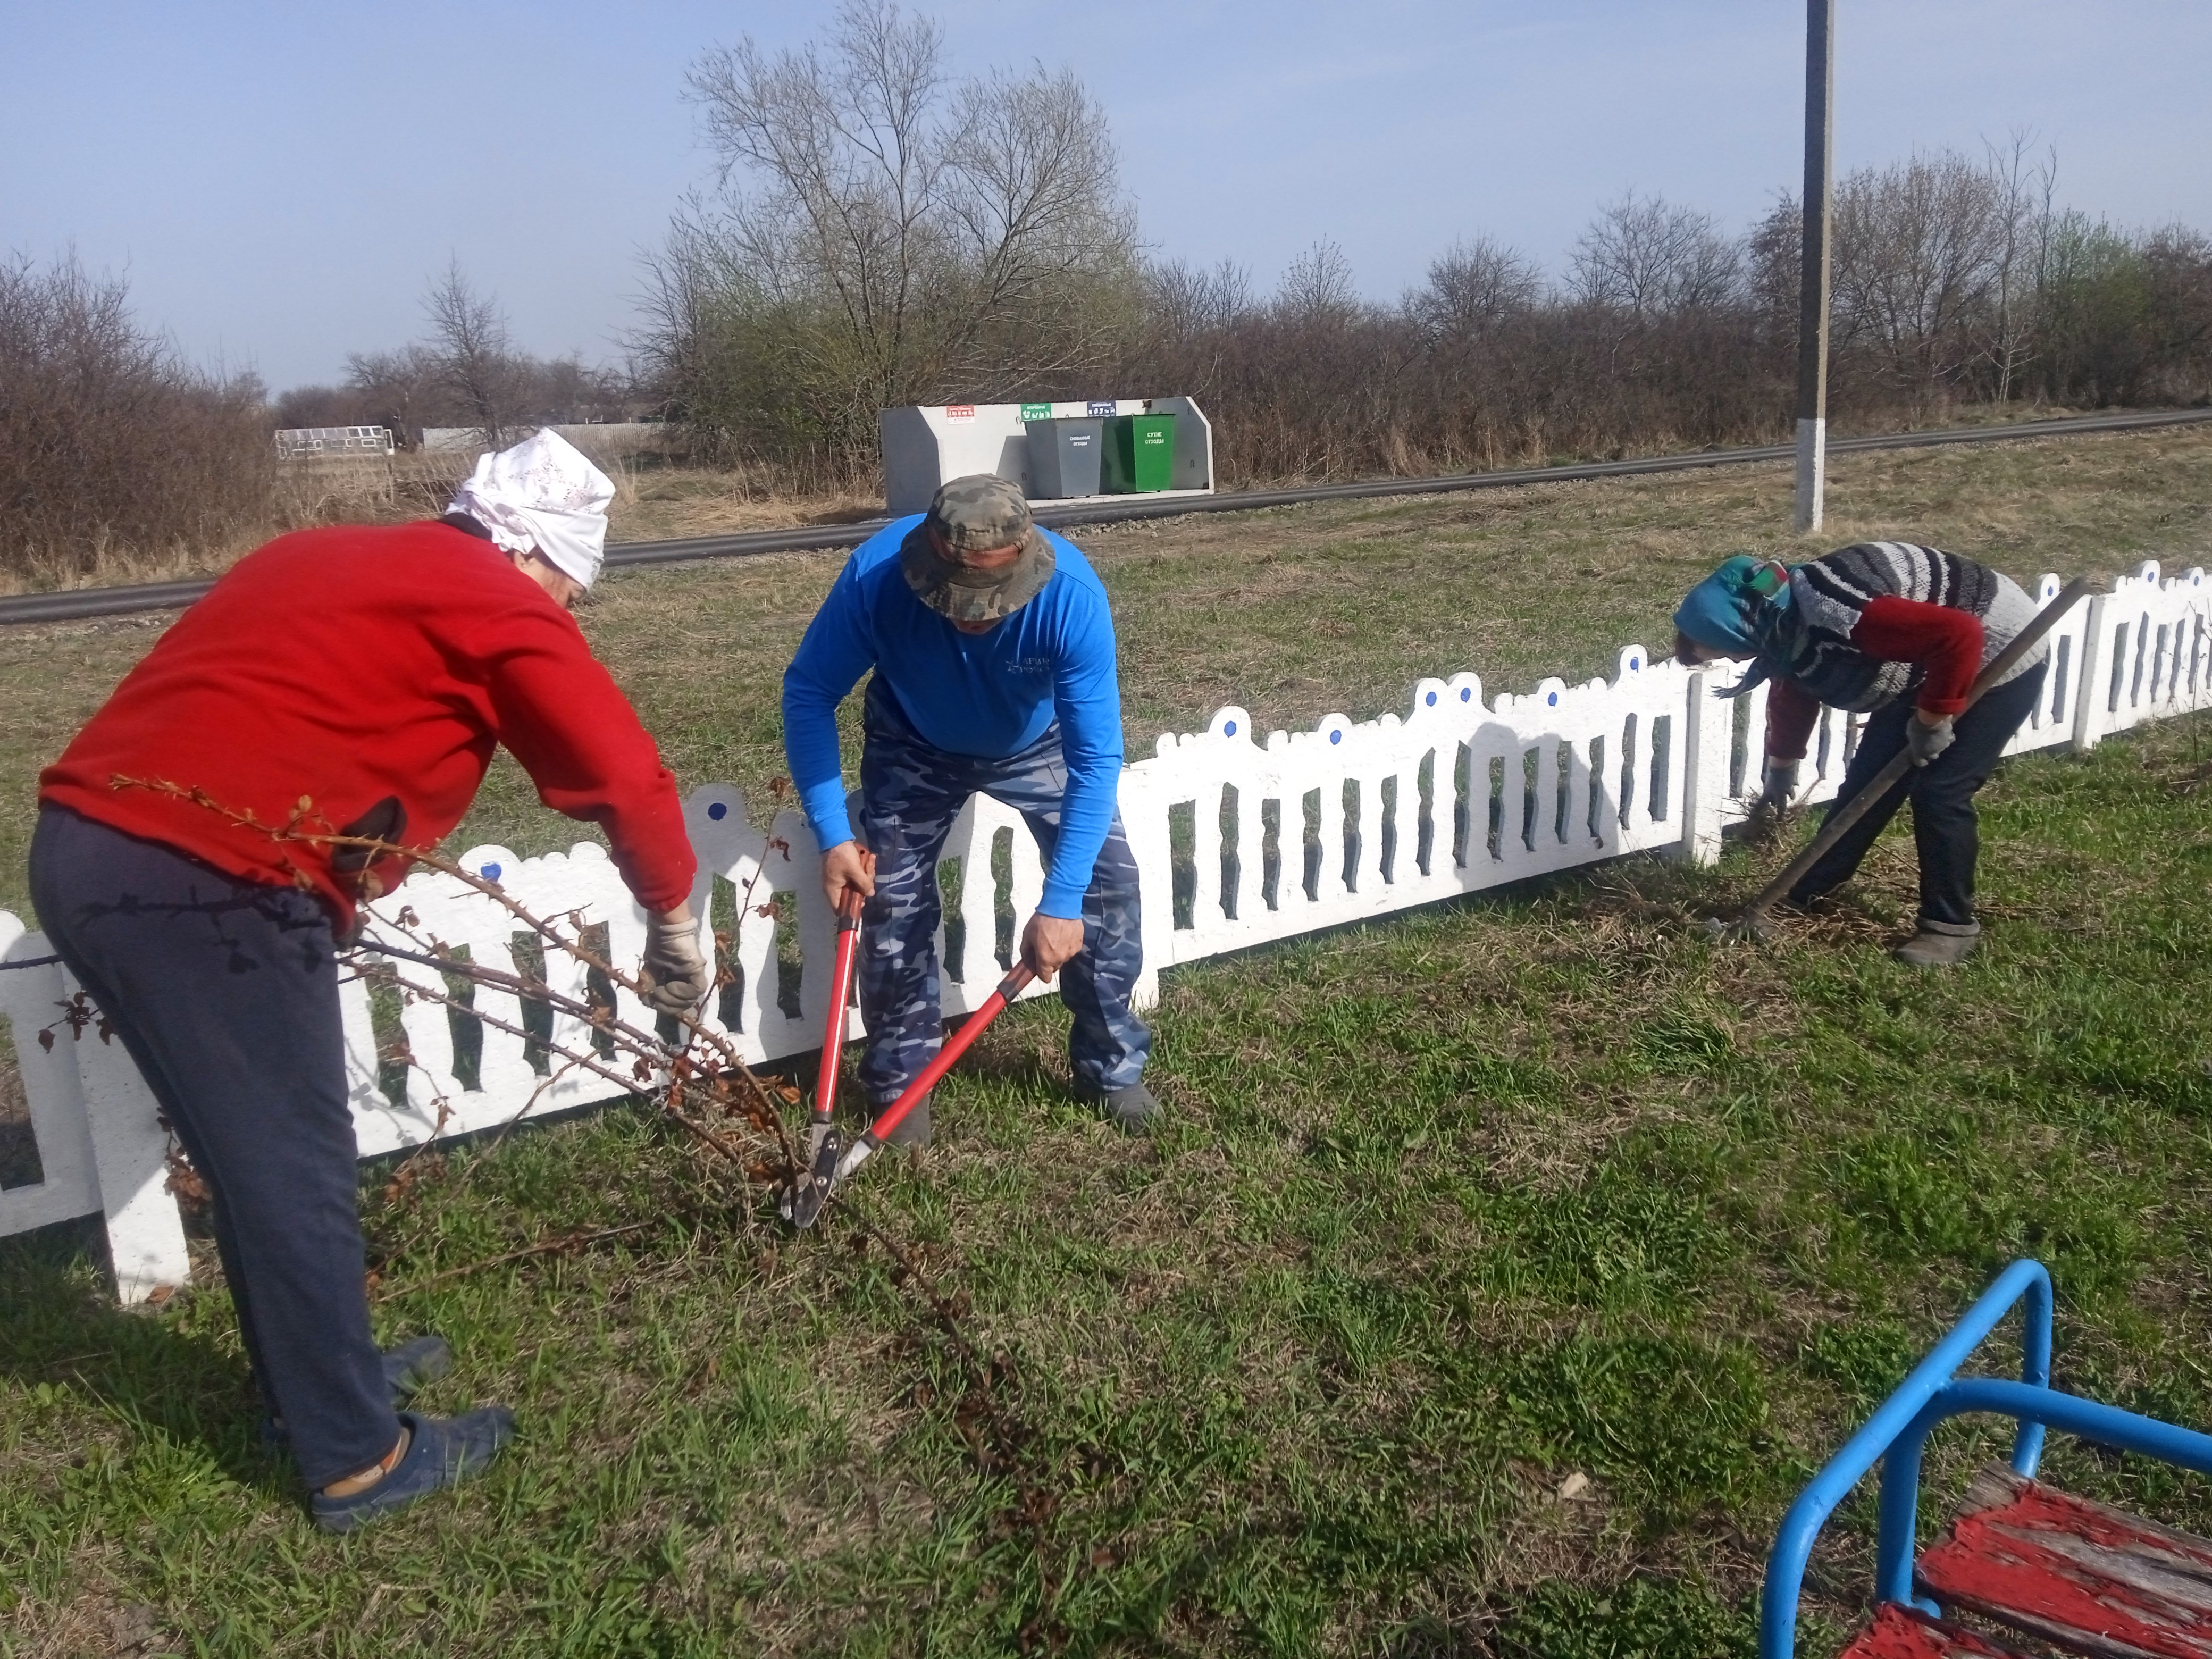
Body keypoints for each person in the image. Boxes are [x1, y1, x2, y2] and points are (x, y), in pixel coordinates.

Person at [31, 430, 711, 1530]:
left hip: (95, 847)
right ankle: (356, 1461)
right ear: (537, 559)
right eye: (570, 595)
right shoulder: (497, 601)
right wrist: (674, 917)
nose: (567, 616)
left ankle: (320, 1392)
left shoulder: (319, 553)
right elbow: (622, 774)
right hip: (204, 879)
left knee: (259, 1159)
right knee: (292, 1164)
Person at [782, 474, 1155, 1146]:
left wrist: (1063, 900)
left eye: (989, 603)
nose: (969, 618)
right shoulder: (873, 579)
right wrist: (834, 834)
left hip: (1033, 741)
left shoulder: (1070, 597)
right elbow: (808, 691)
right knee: (888, 895)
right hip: (912, 737)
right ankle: (902, 1083)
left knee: (1107, 885)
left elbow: (1095, 760)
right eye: (950, 600)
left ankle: (1110, 1068)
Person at [1672, 540, 2051, 966]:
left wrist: (1931, 722)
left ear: (1739, 627)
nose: (1732, 660)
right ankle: (1805, 894)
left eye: (1724, 650)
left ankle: (1949, 926)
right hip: (1927, 663)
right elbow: (1794, 693)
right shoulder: (1786, 628)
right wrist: (1780, 774)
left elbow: (1961, 634)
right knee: (1865, 786)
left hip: (2000, 653)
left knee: (1940, 792)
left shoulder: (1838, 612)